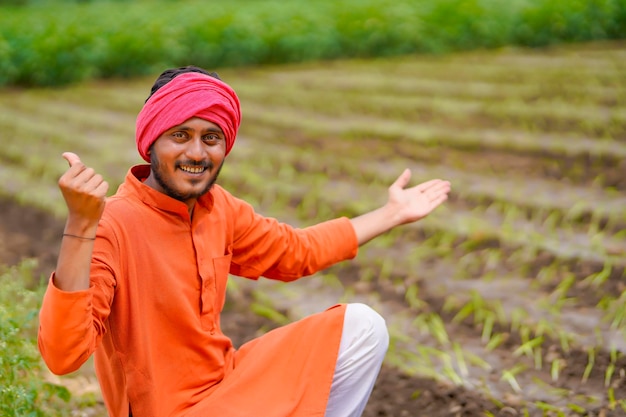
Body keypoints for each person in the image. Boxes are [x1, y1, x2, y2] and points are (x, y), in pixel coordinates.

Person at [38, 66, 451, 417]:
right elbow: (63, 356)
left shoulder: (220, 208)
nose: (196, 152)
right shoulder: (113, 222)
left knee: (363, 327)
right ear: (151, 142)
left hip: (227, 386)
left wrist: (393, 213)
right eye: (180, 135)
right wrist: (81, 225)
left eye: (211, 138)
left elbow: (296, 252)